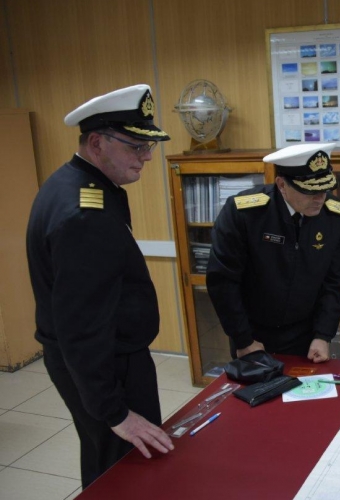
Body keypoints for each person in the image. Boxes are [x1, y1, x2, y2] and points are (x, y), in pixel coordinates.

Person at [26, 84, 174, 488]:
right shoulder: (84, 213)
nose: (146, 157)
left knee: (105, 461)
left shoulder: (76, 184)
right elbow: (83, 326)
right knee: (126, 467)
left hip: (100, 358)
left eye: (149, 146)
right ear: (96, 142)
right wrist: (115, 412)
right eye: (135, 146)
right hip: (107, 364)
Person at [207, 143, 340, 362]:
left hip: (306, 332)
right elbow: (223, 282)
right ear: (282, 185)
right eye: (310, 190)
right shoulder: (245, 213)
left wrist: (323, 334)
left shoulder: (336, 216)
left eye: (325, 188)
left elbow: (335, 282)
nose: (320, 198)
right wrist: (243, 339)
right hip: (252, 332)